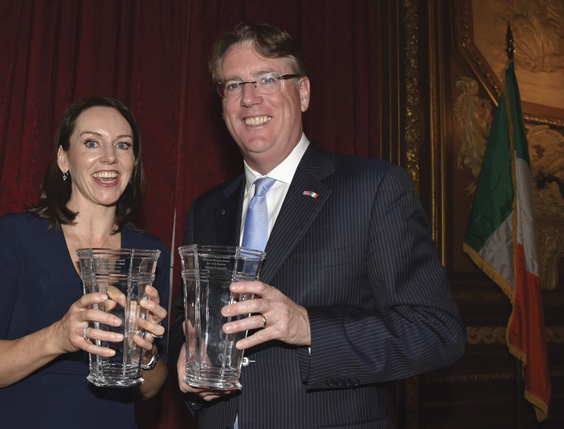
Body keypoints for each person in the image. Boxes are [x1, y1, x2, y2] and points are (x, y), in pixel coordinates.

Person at [170, 22, 466, 428]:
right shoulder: (204, 210)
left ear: (303, 92)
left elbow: (437, 333)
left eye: (267, 79)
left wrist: (306, 325)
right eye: (233, 85)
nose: (249, 98)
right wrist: (187, 363)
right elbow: (185, 326)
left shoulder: (374, 188)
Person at [0, 96, 170, 429]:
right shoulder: (14, 237)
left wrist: (146, 355)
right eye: (91, 143)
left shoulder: (148, 254)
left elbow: (153, 387)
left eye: (123, 145)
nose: (110, 158)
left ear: (134, 162)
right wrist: (57, 337)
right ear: (63, 159)